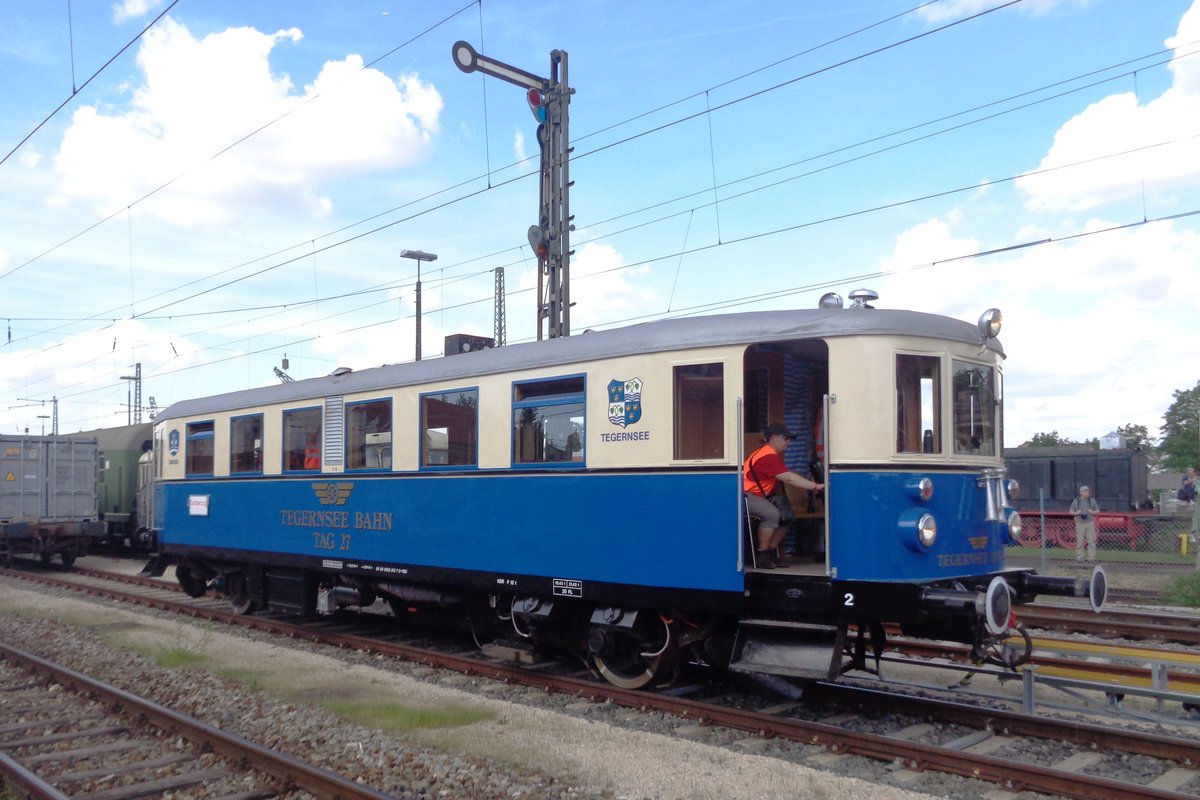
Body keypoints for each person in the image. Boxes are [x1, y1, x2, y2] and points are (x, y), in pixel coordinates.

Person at [744, 423, 824, 569]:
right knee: (772, 514)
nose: (789, 442)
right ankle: (762, 556)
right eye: (786, 438)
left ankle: (772, 553)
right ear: (774, 438)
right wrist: (815, 486)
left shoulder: (771, 455)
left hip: (761, 495)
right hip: (746, 496)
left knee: (787, 515)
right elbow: (789, 478)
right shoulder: (767, 456)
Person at [1069, 485, 1100, 562]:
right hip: (1080, 523)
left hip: (1090, 523)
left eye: (1088, 491)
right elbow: (1071, 512)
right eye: (1085, 491)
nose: (1087, 493)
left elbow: (1098, 511)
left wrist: (1092, 512)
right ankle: (1080, 557)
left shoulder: (1092, 501)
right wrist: (1076, 513)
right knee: (1080, 541)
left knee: (1091, 540)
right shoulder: (1075, 501)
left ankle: (1091, 558)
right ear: (1081, 492)